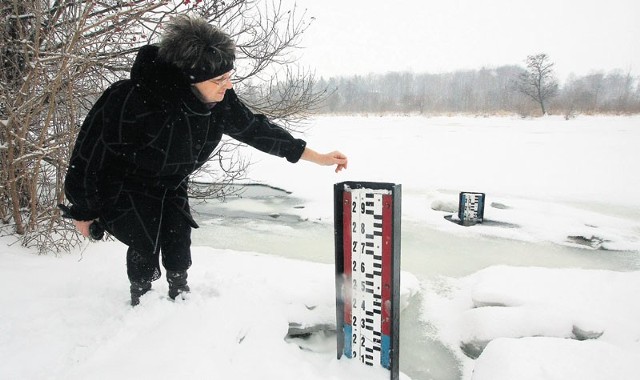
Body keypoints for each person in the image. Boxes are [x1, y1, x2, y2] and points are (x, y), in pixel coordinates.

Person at [63, 15, 348, 306]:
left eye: (228, 76)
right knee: (143, 244)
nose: (227, 85)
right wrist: (83, 211)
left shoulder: (220, 103)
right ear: (189, 79)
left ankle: (180, 294)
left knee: (178, 239)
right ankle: (141, 300)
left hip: (172, 183)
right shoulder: (130, 99)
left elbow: (255, 129)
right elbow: (88, 156)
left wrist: (316, 157)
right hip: (128, 184)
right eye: (218, 80)